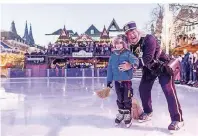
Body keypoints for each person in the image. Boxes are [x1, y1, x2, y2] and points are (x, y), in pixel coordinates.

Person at [118, 21, 184, 132]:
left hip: (163, 67)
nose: (131, 35)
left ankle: (178, 120)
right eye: (128, 34)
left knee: (168, 91)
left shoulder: (149, 39)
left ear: (137, 31)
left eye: (133, 32)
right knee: (143, 89)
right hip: (149, 70)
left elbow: (147, 58)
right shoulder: (132, 46)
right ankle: (148, 111)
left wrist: (130, 65)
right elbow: (134, 61)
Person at [106, 35, 139, 127]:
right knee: (119, 98)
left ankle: (127, 114)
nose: (119, 45)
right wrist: (109, 81)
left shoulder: (128, 53)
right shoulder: (112, 56)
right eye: (116, 43)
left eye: (120, 43)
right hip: (117, 81)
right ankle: (121, 113)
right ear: (114, 45)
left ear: (124, 44)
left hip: (126, 81)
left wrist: (132, 64)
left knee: (127, 98)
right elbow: (110, 70)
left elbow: (135, 61)